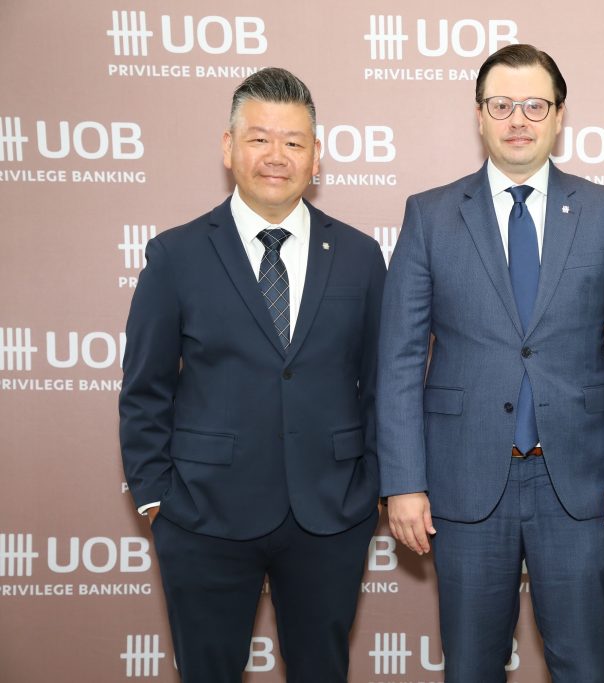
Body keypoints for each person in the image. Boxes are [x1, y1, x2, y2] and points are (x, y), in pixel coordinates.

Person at [377, 44, 604, 682]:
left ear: (558, 115)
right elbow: (399, 360)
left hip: (580, 485)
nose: (518, 120)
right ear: (479, 115)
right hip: (465, 481)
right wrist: (404, 483)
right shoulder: (430, 215)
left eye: (534, 105)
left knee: (585, 666)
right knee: (471, 667)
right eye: (502, 105)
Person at [118, 67, 384, 682]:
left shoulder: (360, 256)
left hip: (330, 513)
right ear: (228, 147)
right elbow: (145, 388)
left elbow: (379, 385)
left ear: (315, 156)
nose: (276, 156)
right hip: (203, 513)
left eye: (293, 142)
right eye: (259, 138)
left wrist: (370, 487)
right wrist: (157, 497)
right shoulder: (176, 255)